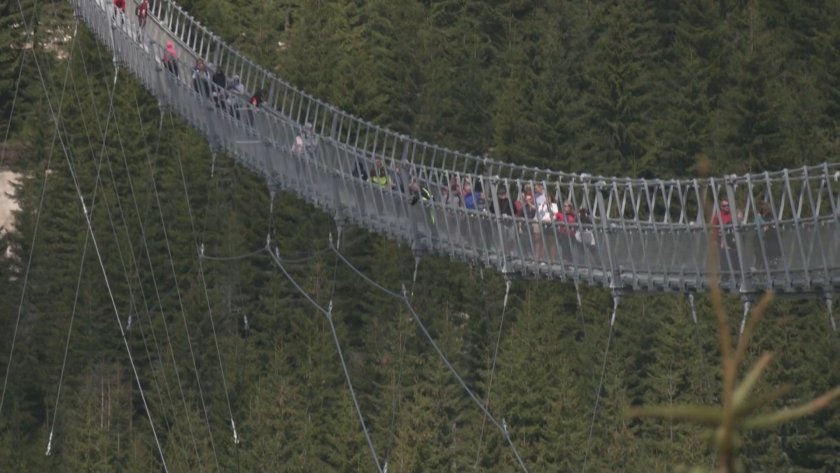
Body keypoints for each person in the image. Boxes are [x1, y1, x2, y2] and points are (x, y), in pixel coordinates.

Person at [711, 199, 740, 275]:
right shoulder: (718, 216)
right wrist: (714, 240)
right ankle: (723, 274)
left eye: (728, 205)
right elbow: (713, 228)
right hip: (720, 240)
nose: (726, 207)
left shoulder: (732, 215)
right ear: (721, 207)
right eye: (724, 205)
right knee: (722, 258)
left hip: (730, 240)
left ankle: (734, 273)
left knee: (733, 257)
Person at [754, 201, 781, 270]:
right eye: (764, 211)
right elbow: (757, 228)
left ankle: (765, 274)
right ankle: (758, 274)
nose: (766, 212)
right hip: (760, 242)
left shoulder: (769, 217)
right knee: (760, 260)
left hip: (768, 243)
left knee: (769, 262)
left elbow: (774, 227)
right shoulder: (759, 217)